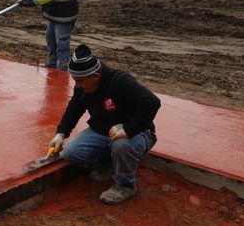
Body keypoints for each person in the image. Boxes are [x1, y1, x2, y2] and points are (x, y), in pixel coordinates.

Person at [47, 44, 161, 205]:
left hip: (137, 132)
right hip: (102, 131)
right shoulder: (83, 85)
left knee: (121, 145)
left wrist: (128, 129)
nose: (77, 85)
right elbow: (74, 108)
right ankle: (108, 165)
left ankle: (125, 185)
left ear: (95, 76)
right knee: (71, 152)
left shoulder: (120, 80)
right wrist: (61, 134)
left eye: (79, 81)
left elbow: (151, 102)